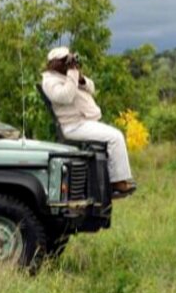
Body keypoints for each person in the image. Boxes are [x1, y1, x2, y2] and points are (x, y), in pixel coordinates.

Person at [41, 47, 137, 198]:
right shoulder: (49, 80)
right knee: (115, 137)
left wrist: (81, 79)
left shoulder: (66, 76)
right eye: (65, 60)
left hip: (83, 122)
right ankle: (117, 183)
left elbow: (92, 88)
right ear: (55, 63)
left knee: (115, 136)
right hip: (72, 126)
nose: (69, 63)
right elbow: (65, 97)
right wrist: (72, 74)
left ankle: (114, 179)